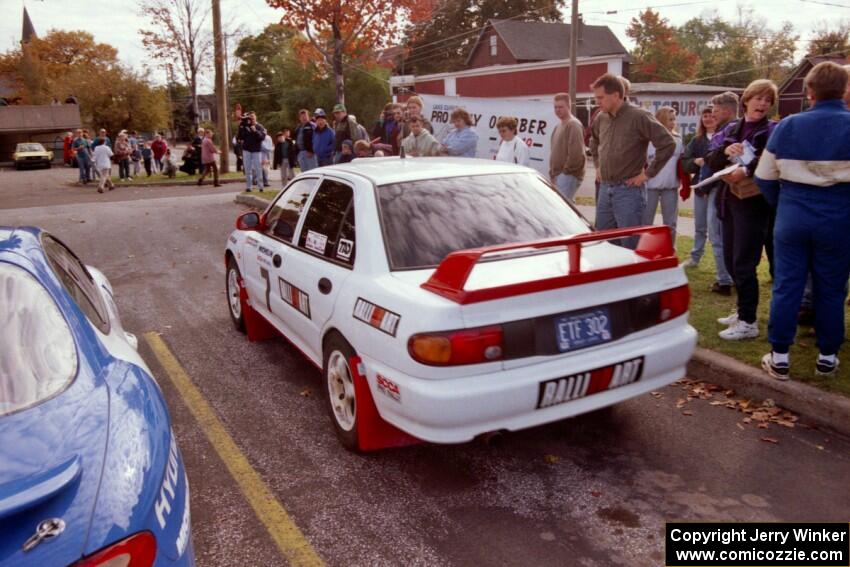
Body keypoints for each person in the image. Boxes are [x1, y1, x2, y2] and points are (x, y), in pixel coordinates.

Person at [755, 62, 850, 379]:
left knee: (787, 286)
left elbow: (764, 176)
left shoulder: (787, 126)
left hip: (793, 215)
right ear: (844, 91)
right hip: (838, 218)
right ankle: (827, 357)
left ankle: (779, 356)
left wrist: (784, 205)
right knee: (832, 289)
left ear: (809, 91)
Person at [705, 79, 779, 341]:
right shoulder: (731, 128)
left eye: (767, 100)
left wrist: (746, 168)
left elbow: (772, 160)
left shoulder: (772, 129)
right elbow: (712, 159)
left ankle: (749, 322)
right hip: (728, 200)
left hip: (753, 204)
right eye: (758, 97)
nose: (762, 103)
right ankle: (741, 310)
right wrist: (726, 150)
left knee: (744, 262)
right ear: (746, 99)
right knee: (730, 259)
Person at [589, 73, 675, 249]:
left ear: (615, 95)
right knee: (604, 243)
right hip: (605, 188)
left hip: (628, 191)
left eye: (600, 97)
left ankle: (633, 276)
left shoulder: (639, 116)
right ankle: (610, 276)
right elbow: (594, 140)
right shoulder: (601, 117)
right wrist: (598, 165)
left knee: (631, 244)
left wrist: (647, 174)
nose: (597, 102)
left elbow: (667, 144)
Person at [681, 104, 734, 294]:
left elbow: (722, 165)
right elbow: (685, 163)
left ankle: (725, 277)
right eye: (705, 116)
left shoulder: (724, 136)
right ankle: (696, 256)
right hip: (700, 188)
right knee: (700, 226)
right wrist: (695, 162)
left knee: (717, 232)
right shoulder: (696, 141)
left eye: (711, 115)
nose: (708, 119)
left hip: (717, 187)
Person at [643, 106, 685, 242]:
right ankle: (641, 250)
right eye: (669, 119)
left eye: (674, 119)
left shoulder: (678, 140)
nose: (673, 122)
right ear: (661, 120)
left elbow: (681, 164)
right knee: (645, 222)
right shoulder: (649, 141)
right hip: (650, 187)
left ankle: (670, 250)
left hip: (670, 188)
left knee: (670, 223)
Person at [549, 93, 586, 200]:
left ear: (569, 107)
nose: (557, 110)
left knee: (561, 208)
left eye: (561, 107)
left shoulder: (573, 124)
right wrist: (553, 173)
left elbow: (576, 154)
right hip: (558, 175)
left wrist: (564, 173)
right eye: (555, 107)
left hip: (569, 175)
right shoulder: (558, 126)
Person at [237, 112, 267, 192]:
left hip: (256, 151)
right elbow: (240, 137)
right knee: (247, 169)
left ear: (256, 117)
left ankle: (260, 186)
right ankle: (249, 186)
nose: (252, 119)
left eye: (253, 117)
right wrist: (241, 127)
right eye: (250, 117)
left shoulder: (260, 126)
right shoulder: (245, 126)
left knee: (258, 168)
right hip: (246, 150)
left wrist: (255, 131)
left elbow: (262, 138)